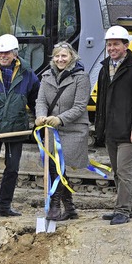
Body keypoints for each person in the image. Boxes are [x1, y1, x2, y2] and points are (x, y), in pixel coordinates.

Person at [0, 34, 40, 222]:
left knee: (12, 169)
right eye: (0, 52)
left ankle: (4, 206)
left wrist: (41, 119)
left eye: (6, 52)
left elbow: (36, 100)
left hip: (15, 127)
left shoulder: (27, 74)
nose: (2, 56)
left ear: (15, 53)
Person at [95, 26, 132, 225]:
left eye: (116, 44)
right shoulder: (105, 68)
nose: (112, 48)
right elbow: (102, 101)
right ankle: (128, 207)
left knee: (126, 173)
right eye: (109, 45)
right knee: (117, 172)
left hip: (129, 131)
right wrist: (99, 129)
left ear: (126, 45)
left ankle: (122, 211)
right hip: (111, 130)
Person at [35, 42, 90, 221]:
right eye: (57, 56)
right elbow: (41, 100)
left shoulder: (81, 77)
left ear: (71, 57)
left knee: (58, 166)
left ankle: (55, 205)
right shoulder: (46, 76)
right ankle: (70, 207)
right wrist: (41, 116)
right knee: (55, 166)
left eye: (64, 56)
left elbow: (80, 106)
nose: (60, 59)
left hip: (73, 129)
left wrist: (60, 119)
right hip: (52, 130)